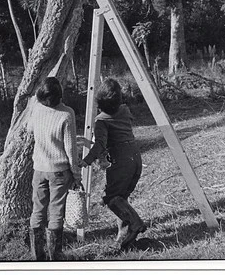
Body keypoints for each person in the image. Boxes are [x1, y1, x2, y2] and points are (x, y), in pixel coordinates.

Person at [78, 78, 147, 249]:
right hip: (135, 157)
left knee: (111, 199)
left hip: (121, 160)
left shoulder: (101, 121)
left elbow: (100, 144)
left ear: (100, 104)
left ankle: (135, 223)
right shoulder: (125, 110)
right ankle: (125, 237)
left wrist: (86, 160)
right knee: (121, 197)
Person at [27, 76, 82, 261]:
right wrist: (76, 174)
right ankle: (55, 256)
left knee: (38, 210)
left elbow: (29, 129)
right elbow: (71, 148)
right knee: (56, 212)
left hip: (39, 169)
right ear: (60, 95)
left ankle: (37, 255)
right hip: (59, 170)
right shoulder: (67, 114)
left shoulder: (36, 109)